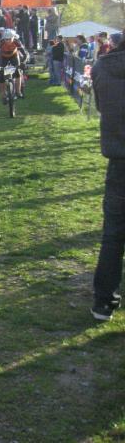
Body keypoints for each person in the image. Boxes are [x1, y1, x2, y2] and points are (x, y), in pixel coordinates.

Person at [90, 32, 125, 320]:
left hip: (119, 158)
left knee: (113, 235)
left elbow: (102, 106)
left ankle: (104, 301)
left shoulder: (103, 66)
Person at [0, 28, 29, 102]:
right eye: (6, 39)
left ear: (13, 37)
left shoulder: (17, 42)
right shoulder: (1, 43)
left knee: (17, 72)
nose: (7, 41)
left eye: (9, 39)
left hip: (14, 56)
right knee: (1, 75)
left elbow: (25, 54)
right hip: (3, 57)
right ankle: (3, 95)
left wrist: (23, 62)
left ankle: (18, 91)